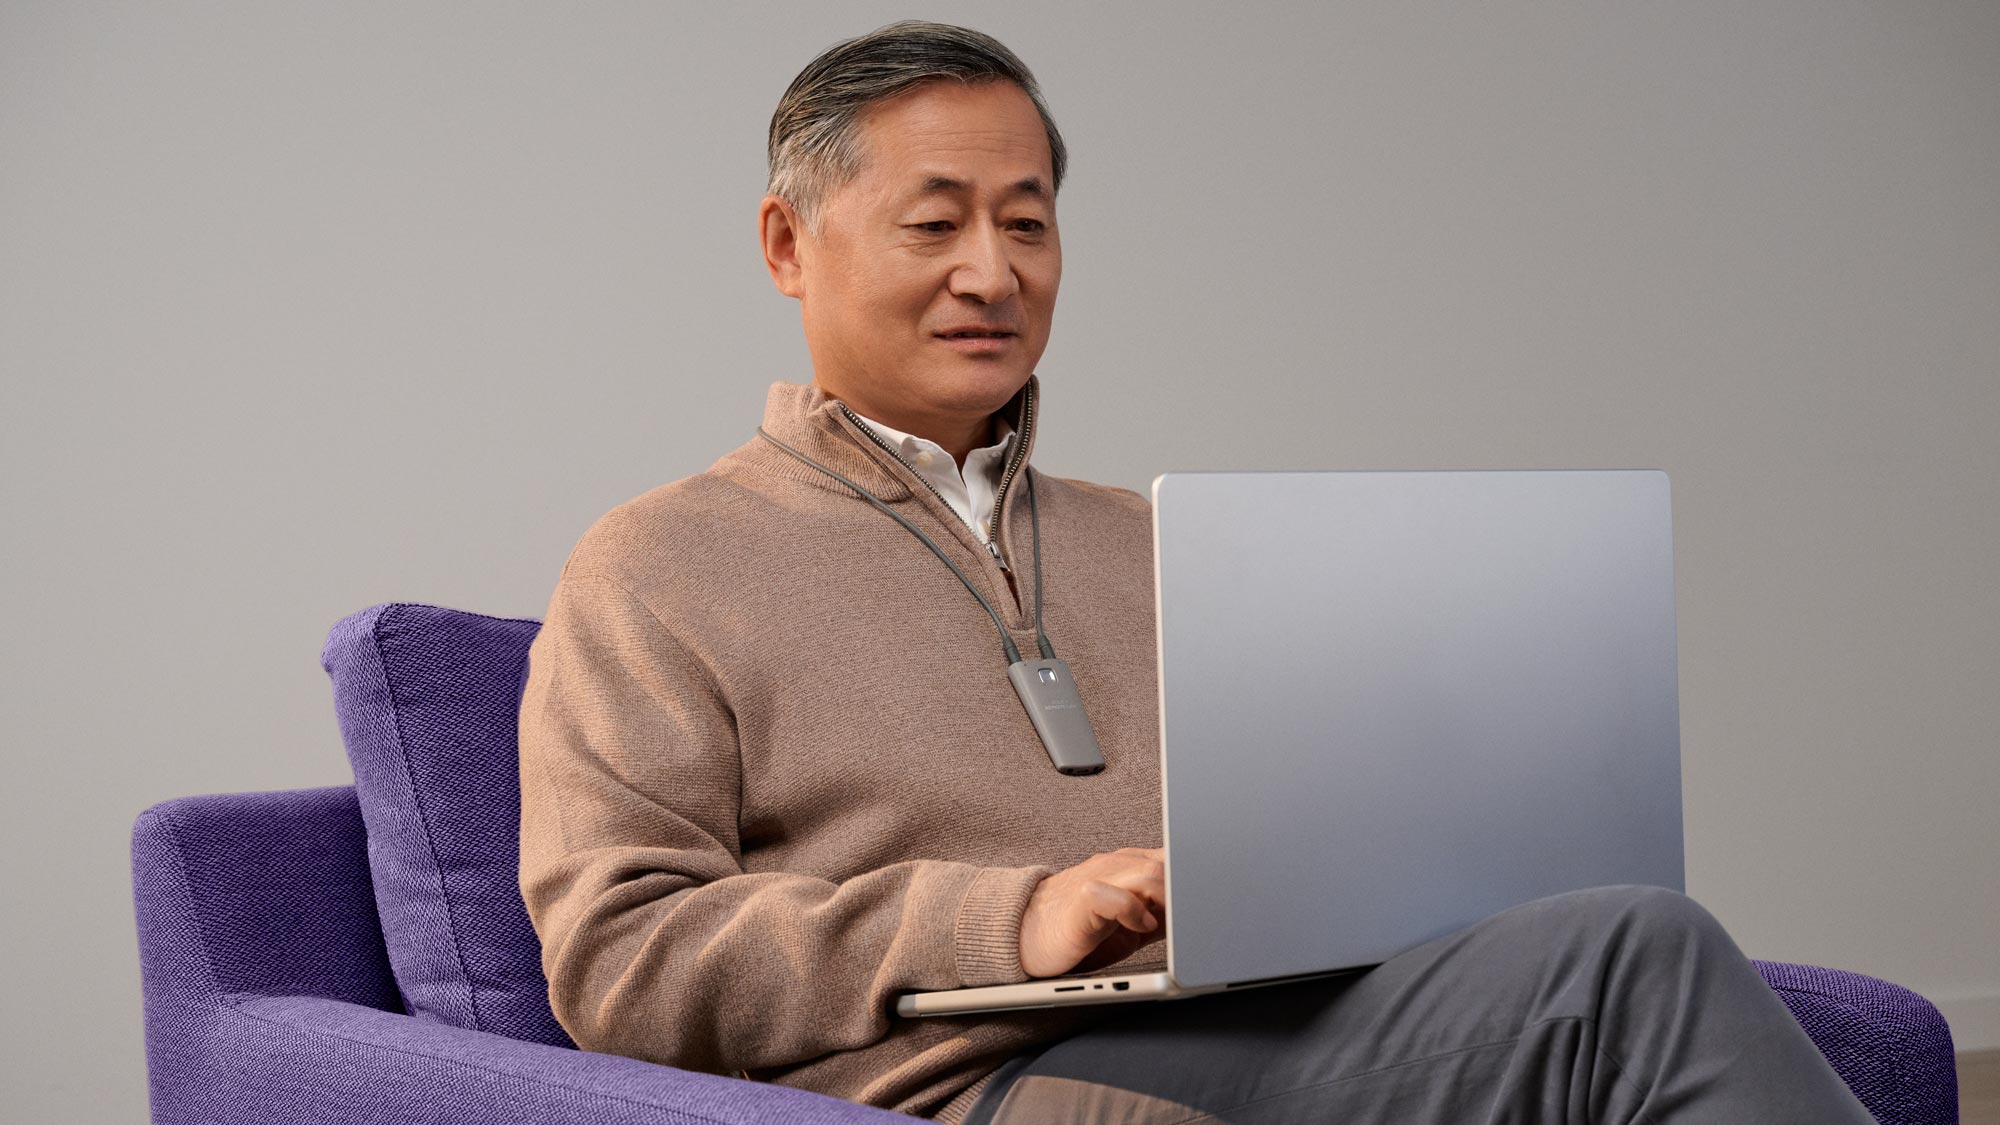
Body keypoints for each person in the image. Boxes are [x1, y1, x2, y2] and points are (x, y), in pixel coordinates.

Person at [516, 19, 1878, 1124]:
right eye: (935, 225)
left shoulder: (1150, 535)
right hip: (969, 1077)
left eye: (1028, 224)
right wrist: (1012, 919)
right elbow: (620, 958)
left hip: (1261, 1015)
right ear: (786, 245)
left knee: (1617, 939)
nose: (991, 272)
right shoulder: (657, 563)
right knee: (1636, 959)